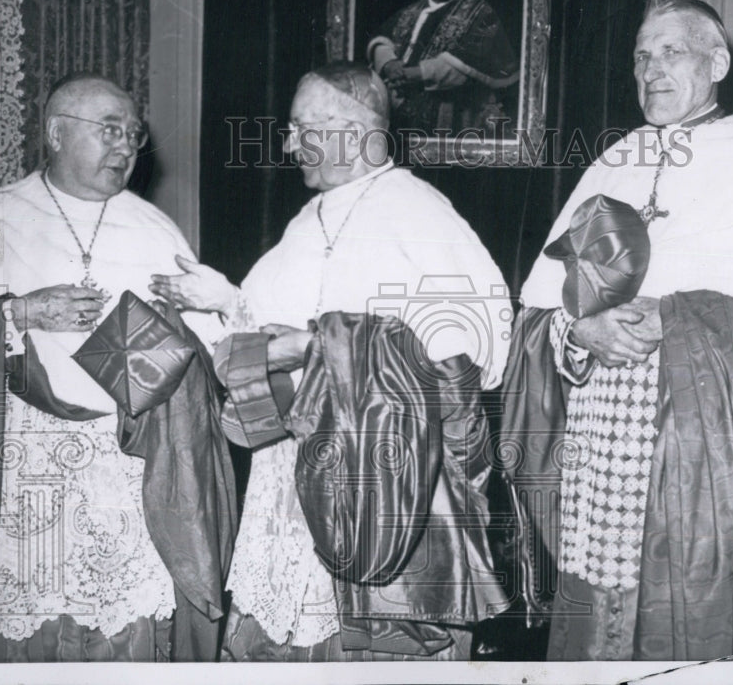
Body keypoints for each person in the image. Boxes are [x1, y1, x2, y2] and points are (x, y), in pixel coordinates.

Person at [150, 61, 511, 661]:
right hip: (287, 483)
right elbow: (270, 332)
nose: (289, 144)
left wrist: (314, 347)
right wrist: (224, 301)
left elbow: (474, 359)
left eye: (301, 127)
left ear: (355, 130)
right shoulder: (308, 218)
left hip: (384, 490)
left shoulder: (422, 214)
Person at [507, 0, 733, 660]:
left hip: (706, 449)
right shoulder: (611, 161)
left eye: (671, 51)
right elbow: (537, 314)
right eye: (642, 57)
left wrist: (676, 317)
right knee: (597, 624)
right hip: (599, 450)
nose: (651, 70)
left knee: (690, 616)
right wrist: (577, 331)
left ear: (717, 62)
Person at [0, 73, 229, 662]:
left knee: (125, 632)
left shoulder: (156, 228)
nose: (126, 147)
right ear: (57, 133)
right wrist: (19, 312)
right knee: (33, 631)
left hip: (130, 472)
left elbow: (210, 358)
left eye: (133, 135)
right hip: (28, 472)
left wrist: (188, 330)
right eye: (109, 130)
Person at [367, 0, 519, 135]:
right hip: (397, 108)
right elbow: (382, 39)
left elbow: (470, 63)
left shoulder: (477, 9)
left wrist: (417, 73)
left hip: (446, 111)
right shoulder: (413, 10)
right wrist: (389, 64)